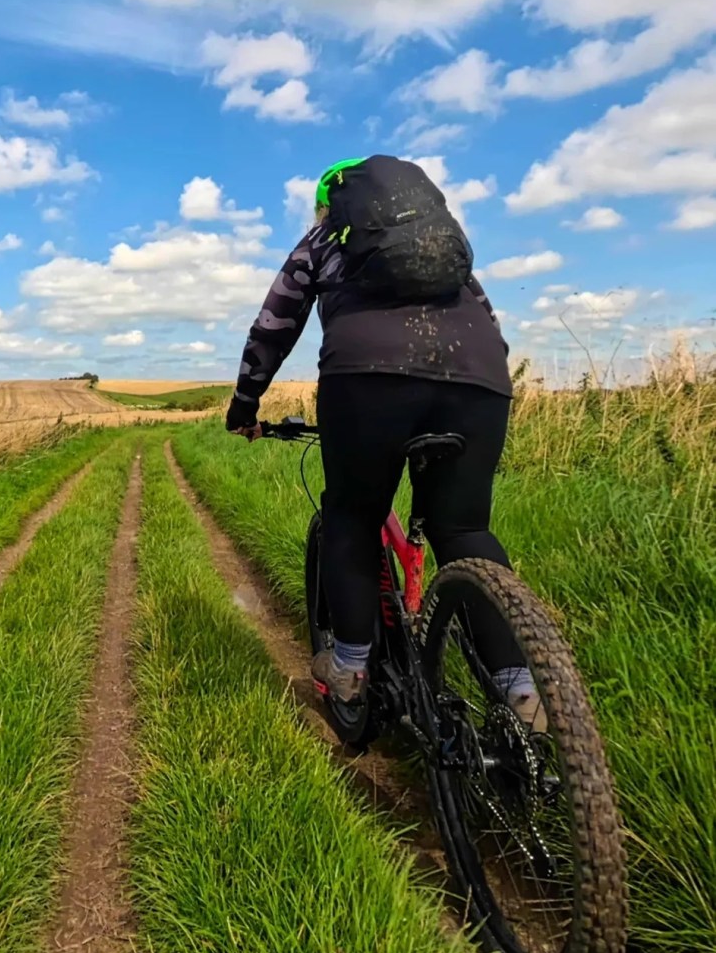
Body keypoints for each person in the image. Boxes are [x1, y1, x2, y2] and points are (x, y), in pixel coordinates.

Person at [226, 156, 545, 731]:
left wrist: (245, 406)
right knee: (463, 529)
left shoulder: (324, 239)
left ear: (330, 205)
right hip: (479, 378)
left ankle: (350, 668)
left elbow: (274, 324)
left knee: (352, 517)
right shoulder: (443, 248)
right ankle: (522, 689)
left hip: (367, 378)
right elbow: (491, 325)